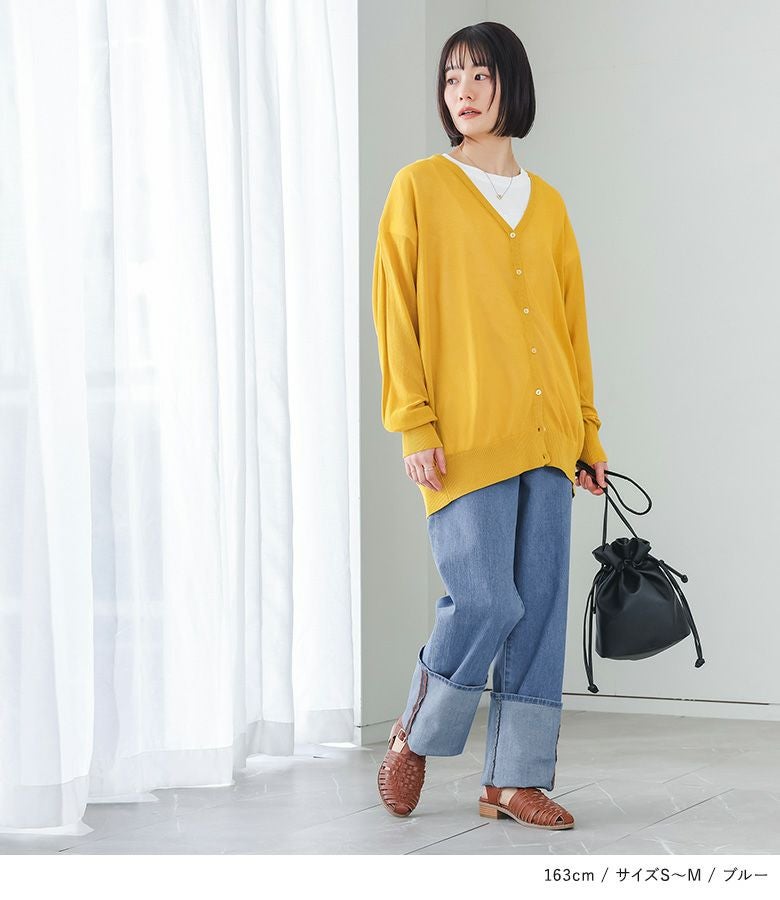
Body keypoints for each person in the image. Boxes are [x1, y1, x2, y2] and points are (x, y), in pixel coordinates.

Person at [371, 22, 608, 830]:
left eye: (479, 75)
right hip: (465, 438)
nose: (463, 92)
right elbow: (396, 313)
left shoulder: (550, 206)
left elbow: (571, 332)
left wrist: (587, 437)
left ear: (512, 84)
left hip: (549, 438)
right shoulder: (420, 188)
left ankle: (514, 780)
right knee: (485, 600)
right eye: (451, 78)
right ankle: (416, 731)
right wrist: (414, 423)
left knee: (538, 609)